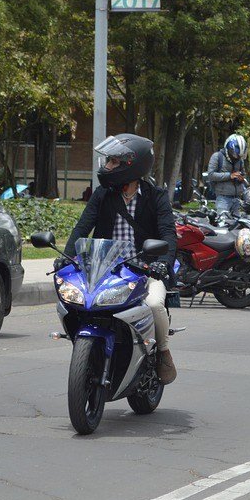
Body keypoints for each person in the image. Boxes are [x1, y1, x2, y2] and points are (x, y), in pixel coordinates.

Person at [66, 134, 179, 384]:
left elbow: (169, 235)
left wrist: (162, 263)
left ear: (132, 165)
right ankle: (86, 348)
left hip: (146, 270)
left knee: (154, 305)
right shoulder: (102, 195)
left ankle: (162, 352)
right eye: (108, 162)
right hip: (106, 269)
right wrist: (67, 256)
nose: (107, 167)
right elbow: (81, 228)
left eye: (113, 162)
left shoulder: (156, 196)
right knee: (77, 301)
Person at [207, 134, 249, 216]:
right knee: (223, 223)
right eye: (235, 155)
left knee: (237, 225)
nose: (236, 158)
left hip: (237, 198)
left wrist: (241, 178)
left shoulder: (240, 160)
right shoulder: (217, 157)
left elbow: (243, 174)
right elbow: (211, 175)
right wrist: (230, 175)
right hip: (223, 198)